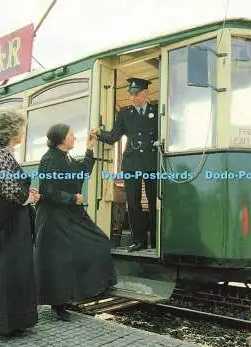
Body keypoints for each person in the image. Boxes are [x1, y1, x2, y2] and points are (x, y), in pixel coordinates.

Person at [34, 124, 116, 321]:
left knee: (99, 241)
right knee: (59, 260)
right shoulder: (49, 159)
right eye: (71, 135)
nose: (74, 138)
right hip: (54, 216)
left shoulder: (67, 157)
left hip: (71, 212)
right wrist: (73, 198)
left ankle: (95, 286)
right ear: (61, 139)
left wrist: (89, 148)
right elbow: (49, 190)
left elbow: (83, 173)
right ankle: (58, 304)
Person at [0, 110, 40, 339]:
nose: (23, 131)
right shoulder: (0, 154)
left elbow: (11, 186)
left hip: (10, 221)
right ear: (12, 131)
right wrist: (29, 197)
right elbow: (7, 190)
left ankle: (11, 322)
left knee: (12, 272)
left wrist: (26, 192)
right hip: (6, 223)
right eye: (21, 128)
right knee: (5, 272)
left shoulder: (2, 153)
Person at [91, 77, 158, 252]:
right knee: (133, 203)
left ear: (145, 93)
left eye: (136, 94)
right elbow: (114, 137)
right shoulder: (124, 114)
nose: (133, 97)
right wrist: (99, 134)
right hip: (131, 163)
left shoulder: (157, 111)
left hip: (152, 162)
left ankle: (157, 241)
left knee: (154, 201)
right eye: (131, 94)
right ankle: (139, 241)